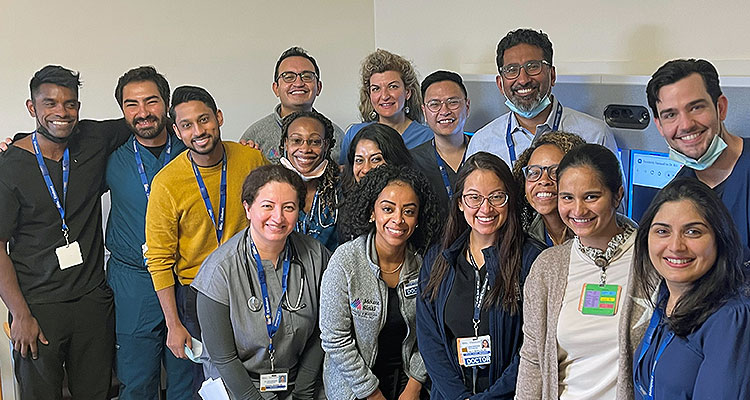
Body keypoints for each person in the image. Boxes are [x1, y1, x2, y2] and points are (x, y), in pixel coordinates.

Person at [0, 65, 131, 398]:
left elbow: (145, 121)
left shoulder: (93, 139)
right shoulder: (9, 167)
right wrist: (20, 315)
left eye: (69, 103)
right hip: (37, 307)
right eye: (50, 103)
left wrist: (247, 144)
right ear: (32, 107)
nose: (61, 112)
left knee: (96, 393)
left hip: (92, 302)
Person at [145, 85, 268, 396]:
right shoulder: (167, 183)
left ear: (219, 117)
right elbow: (159, 259)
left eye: (204, 120)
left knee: (259, 371)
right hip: (197, 293)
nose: (198, 131)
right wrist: (173, 324)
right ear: (177, 131)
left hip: (253, 282)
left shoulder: (251, 159)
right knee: (212, 382)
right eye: (187, 125)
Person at [516, 143, 649, 400]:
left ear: (618, 195)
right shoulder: (547, 268)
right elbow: (532, 360)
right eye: (567, 197)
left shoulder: (651, 260)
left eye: (591, 197)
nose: (578, 210)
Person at [193, 165, 330, 400]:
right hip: (239, 387)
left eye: (289, 207)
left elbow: (324, 329)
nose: (278, 217)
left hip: (299, 381)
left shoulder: (317, 257)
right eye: (268, 206)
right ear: (248, 208)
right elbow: (223, 358)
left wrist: (304, 392)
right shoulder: (219, 270)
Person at [416, 152, 544, 399]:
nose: (486, 208)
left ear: (510, 199)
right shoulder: (437, 259)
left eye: (496, 197)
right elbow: (429, 340)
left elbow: (532, 347)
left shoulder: (532, 260)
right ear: (460, 203)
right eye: (474, 197)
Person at [106, 66, 193, 399]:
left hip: (185, 279)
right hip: (133, 283)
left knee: (189, 381)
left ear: (166, 104)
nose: (142, 112)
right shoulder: (110, 158)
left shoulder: (193, 151)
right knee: (136, 382)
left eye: (151, 101)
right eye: (132, 104)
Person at [320, 164, 441, 400]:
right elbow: (335, 339)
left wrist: (414, 386)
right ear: (372, 212)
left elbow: (432, 332)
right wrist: (372, 393)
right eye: (388, 209)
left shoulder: (425, 263)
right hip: (354, 385)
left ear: (418, 218)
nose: (398, 219)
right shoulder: (345, 261)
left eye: (408, 211)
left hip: (410, 380)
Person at [631, 177, 750, 399]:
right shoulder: (665, 300)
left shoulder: (729, 318)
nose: (676, 246)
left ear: (719, 239)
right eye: (662, 231)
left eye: (693, 232)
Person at [466, 28, 618, 166]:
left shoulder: (595, 135)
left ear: (552, 75)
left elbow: (613, 189)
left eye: (533, 67)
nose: (523, 80)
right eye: (511, 70)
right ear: (500, 84)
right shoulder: (482, 143)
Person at [646, 58, 750, 258]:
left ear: (721, 108)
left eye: (696, 108)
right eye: (670, 115)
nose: (686, 125)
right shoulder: (674, 195)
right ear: (659, 126)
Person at [240, 46, 345, 162]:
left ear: (318, 87)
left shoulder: (337, 136)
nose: (298, 83)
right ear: (276, 88)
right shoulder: (255, 135)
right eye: (289, 77)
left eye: (307, 76)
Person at [338, 49, 433, 164]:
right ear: (369, 95)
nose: (384, 96)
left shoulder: (428, 137)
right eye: (376, 89)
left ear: (407, 92)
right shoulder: (354, 134)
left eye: (393, 86)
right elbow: (346, 174)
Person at [410, 70, 471, 221]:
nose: (444, 111)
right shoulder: (411, 161)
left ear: (467, 106)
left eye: (453, 102)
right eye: (434, 104)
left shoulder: (485, 150)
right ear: (424, 112)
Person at [278, 110, 340, 251]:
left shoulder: (342, 188)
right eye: (296, 141)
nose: (305, 149)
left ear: (326, 145)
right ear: (286, 143)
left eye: (315, 142)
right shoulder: (270, 187)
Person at [511, 131, 585, 247]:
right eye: (534, 172)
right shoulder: (522, 237)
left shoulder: (594, 230)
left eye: (555, 172)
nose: (544, 181)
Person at [340, 123, 413, 199]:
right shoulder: (344, 199)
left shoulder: (409, 198)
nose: (366, 169)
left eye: (375, 159)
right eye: (359, 160)